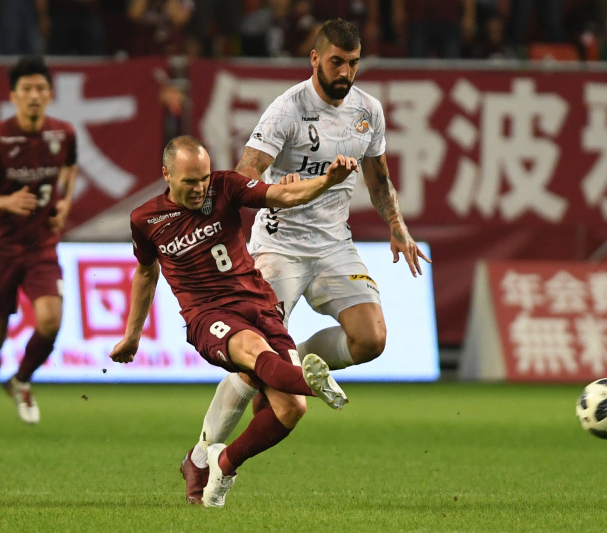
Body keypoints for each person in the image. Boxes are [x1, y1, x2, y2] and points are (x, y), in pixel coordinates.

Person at [180, 18, 431, 505]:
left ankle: (298, 361)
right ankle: (202, 453)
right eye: (337, 61)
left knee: (371, 338)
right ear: (315, 58)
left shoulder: (368, 112)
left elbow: (378, 180)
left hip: (335, 243)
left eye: (353, 63)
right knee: (254, 368)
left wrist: (399, 229)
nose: (346, 72)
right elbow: (247, 176)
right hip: (280, 246)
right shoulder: (287, 110)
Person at [109, 135, 356, 508]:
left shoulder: (225, 187)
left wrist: (326, 181)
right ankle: (310, 380)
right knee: (253, 350)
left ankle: (222, 463)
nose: (199, 188)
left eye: (203, 178)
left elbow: (285, 195)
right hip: (207, 315)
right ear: (167, 174)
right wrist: (132, 336)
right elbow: (146, 274)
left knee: (291, 410)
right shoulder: (145, 219)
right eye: (189, 181)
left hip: (257, 304)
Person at [0, 56, 78, 439]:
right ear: (13, 96)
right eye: (26, 89)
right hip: (1, 248)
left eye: (40, 89)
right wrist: (6, 202)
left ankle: (20, 380)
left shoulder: (63, 133)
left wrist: (64, 202)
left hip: (42, 247)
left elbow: (70, 166)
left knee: (50, 321)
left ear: (50, 94)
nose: (34, 96)